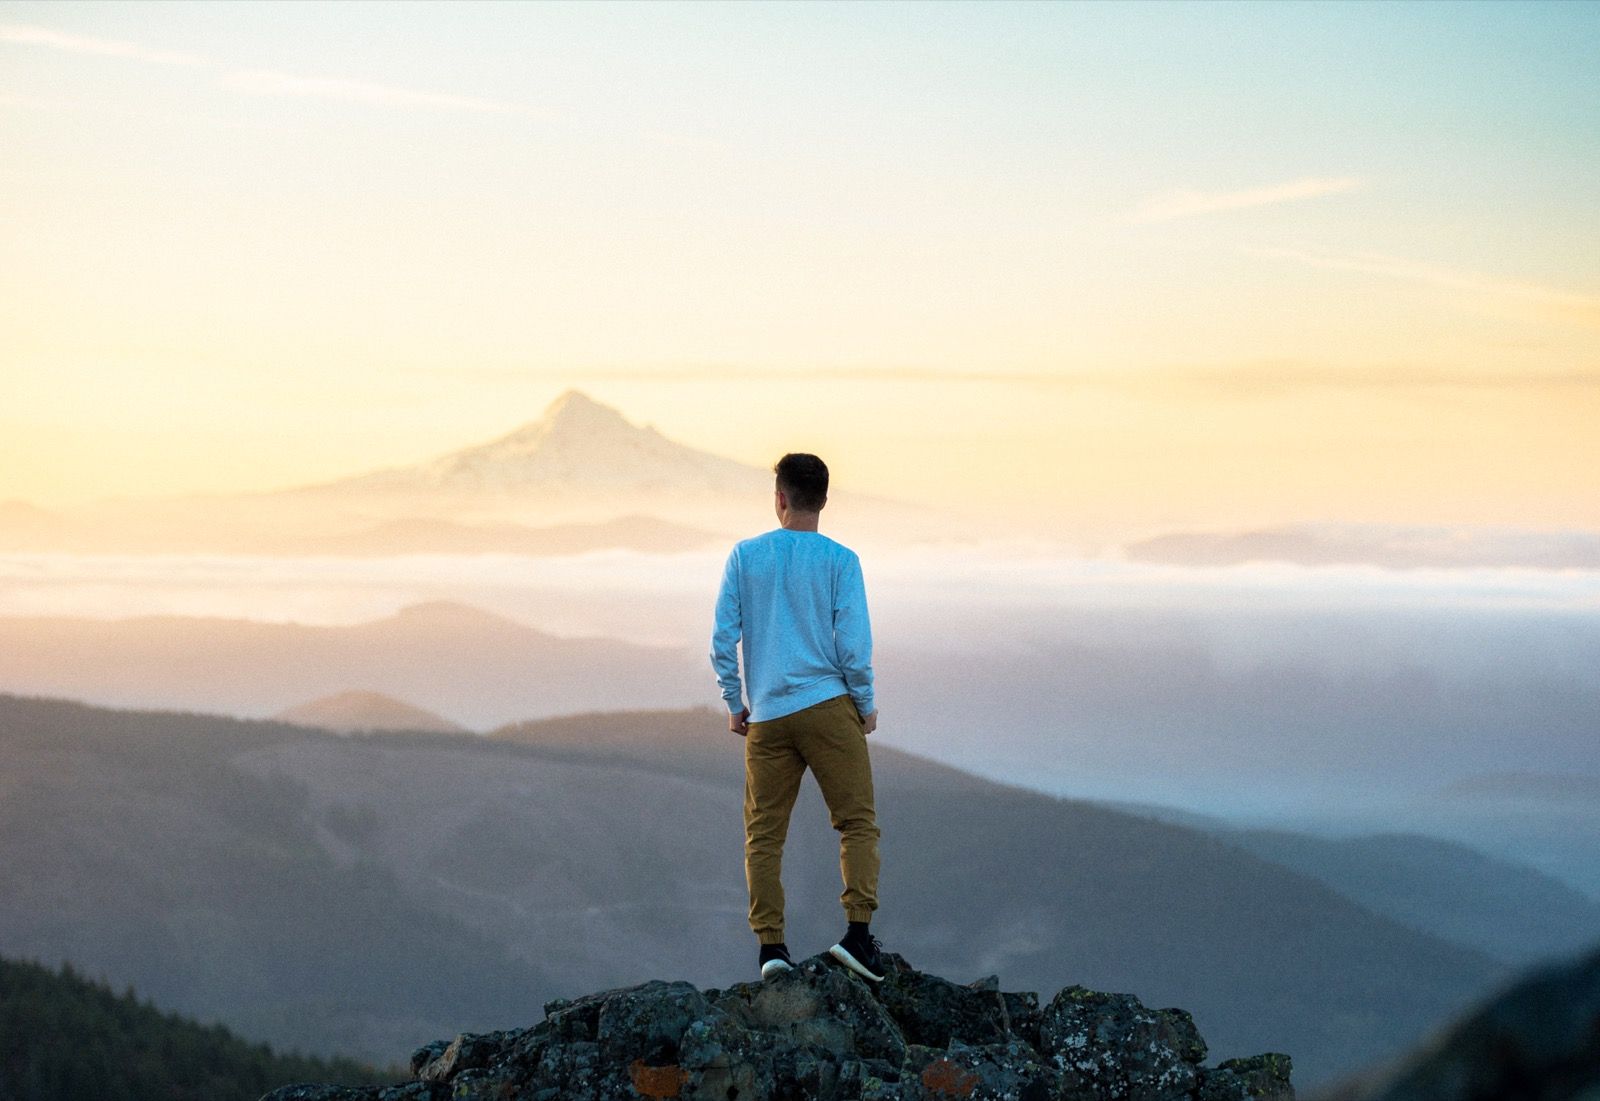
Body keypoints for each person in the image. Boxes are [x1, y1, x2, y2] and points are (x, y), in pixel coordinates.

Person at [709, 452, 885, 983]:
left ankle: (771, 949)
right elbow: (853, 647)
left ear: (779, 497)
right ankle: (857, 935)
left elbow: (722, 639)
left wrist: (735, 701)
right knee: (856, 822)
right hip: (828, 707)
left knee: (764, 836)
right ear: (824, 500)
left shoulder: (746, 556)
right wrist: (865, 703)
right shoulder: (840, 560)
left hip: (767, 716)